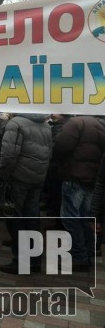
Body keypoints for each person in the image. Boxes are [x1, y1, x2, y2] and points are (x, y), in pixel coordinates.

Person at [0, 113, 52, 274]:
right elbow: (50, 152)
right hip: (37, 176)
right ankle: (34, 260)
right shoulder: (45, 124)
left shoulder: (15, 124)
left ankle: (21, 261)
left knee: (14, 218)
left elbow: (8, 155)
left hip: (18, 177)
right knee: (32, 218)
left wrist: (3, 175)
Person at [52, 114, 105, 271]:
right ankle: (87, 252)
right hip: (92, 177)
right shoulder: (100, 125)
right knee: (85, 217)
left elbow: (60, 146)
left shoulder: (75, 123)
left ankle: (79, 255)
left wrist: (57, 162)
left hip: (74, 175)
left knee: (70, 217)